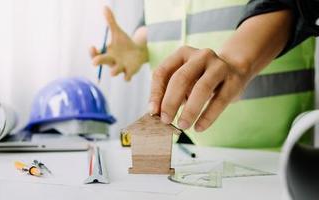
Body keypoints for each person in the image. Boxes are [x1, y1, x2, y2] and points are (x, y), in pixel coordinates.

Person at [90, 0, 317, 149]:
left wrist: (234, 63)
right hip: (183, 148)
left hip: (270, 153)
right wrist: (136, 49)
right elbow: (153, 22)